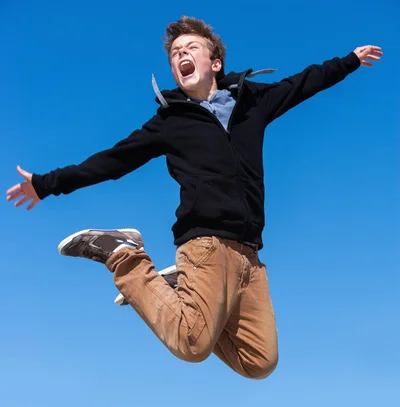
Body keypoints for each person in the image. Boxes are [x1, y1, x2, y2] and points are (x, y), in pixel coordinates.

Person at [6, 17, 382, 379]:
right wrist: (46, 183)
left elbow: (304, 83)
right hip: (204, 243)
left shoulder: (254, 103)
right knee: (191, 343)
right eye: (174, 54)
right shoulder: (170, 123)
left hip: (250, 253)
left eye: (190, 48)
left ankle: (177, 289)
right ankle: (122, 254)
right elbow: (112, 161)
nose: (180, 55)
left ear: (214, 62)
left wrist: (349, 61)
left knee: (260, 361)